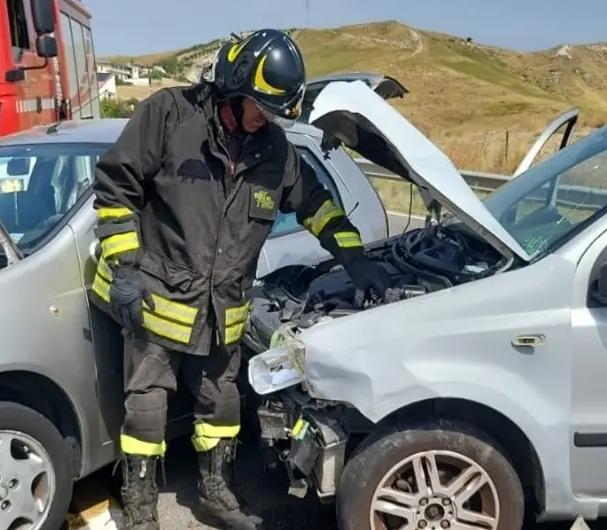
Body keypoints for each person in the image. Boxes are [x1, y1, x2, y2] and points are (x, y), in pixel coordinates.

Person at [87, 29, 391, 530]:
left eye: (274, 112)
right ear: (232, 89)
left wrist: (355, 258)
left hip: (224, 311)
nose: (265, 119)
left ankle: (217, 492)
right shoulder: (169, 117)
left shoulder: (276, 152)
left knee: (222, 404)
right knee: (146, 409)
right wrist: (124, 267)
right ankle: (141, 509)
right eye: (260, 107)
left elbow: (316, 207)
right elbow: (115, 188)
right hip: (158, 302)